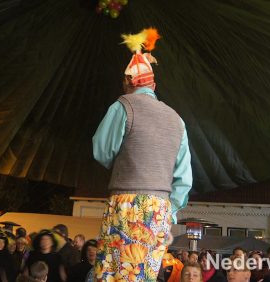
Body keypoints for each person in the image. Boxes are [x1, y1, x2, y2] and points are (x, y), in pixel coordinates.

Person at [92, 27, 192, 281]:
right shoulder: (177, 120)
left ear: (126, 82)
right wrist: (169, 212)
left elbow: (101, 151)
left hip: (126, 203)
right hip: (159, 209)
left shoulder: (122, 106)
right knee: (143, 275)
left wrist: (125, 163)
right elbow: (184, 179)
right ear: (154, 85)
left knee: (114, 274)